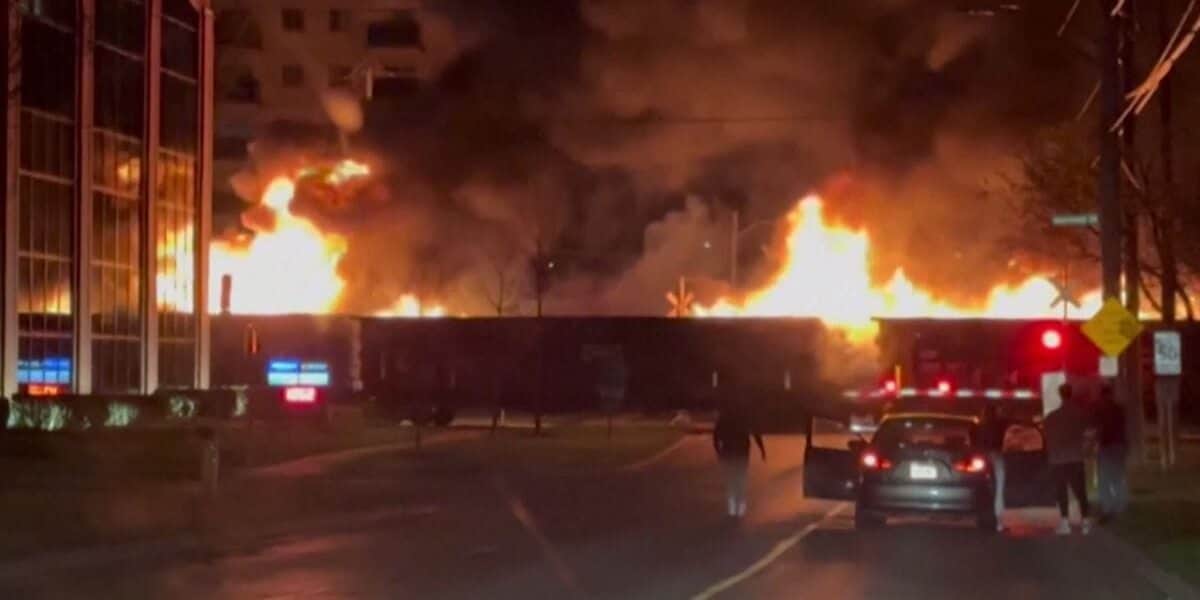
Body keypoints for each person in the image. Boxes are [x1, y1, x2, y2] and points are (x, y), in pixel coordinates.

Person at [1043, 382, 1093, 535]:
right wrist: (1087, 450)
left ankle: (1064, 523)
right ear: (1071, 394)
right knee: (1080, 491)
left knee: (1061, 492)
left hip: (1058, 459)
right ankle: (1085, 522)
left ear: (1060, 395)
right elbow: (1089, 434)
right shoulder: (1080, 414)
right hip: (1075, 457)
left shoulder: (1052, 417)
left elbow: (1047, 438)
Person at [713, 402, 766, 518]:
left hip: (729, 451)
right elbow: (756, 433)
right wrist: (762, 450)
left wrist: (718, 450)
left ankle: (732, 506)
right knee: (740, 477)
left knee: (732, 478)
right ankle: (740, 505)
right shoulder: (745, 417)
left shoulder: (725, 417)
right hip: (741, 452)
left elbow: (716, 435)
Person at [1096, 384, 1129, 520]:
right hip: (1118, 446)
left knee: (1105, 479)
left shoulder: (1101, 410)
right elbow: (1124, 428)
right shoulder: (1118, 409)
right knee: (1118, 477)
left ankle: (1108, 507)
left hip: (1107, 447)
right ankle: (1119, 506)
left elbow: (1099, 429)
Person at [977, 403, 1008, 531]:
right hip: (997, 456)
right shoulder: (1000, 425)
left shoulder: (979, 426)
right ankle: (999, 522)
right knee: (1000, 489)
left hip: (983, 457)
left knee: (989, 489)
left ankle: (989, 518)